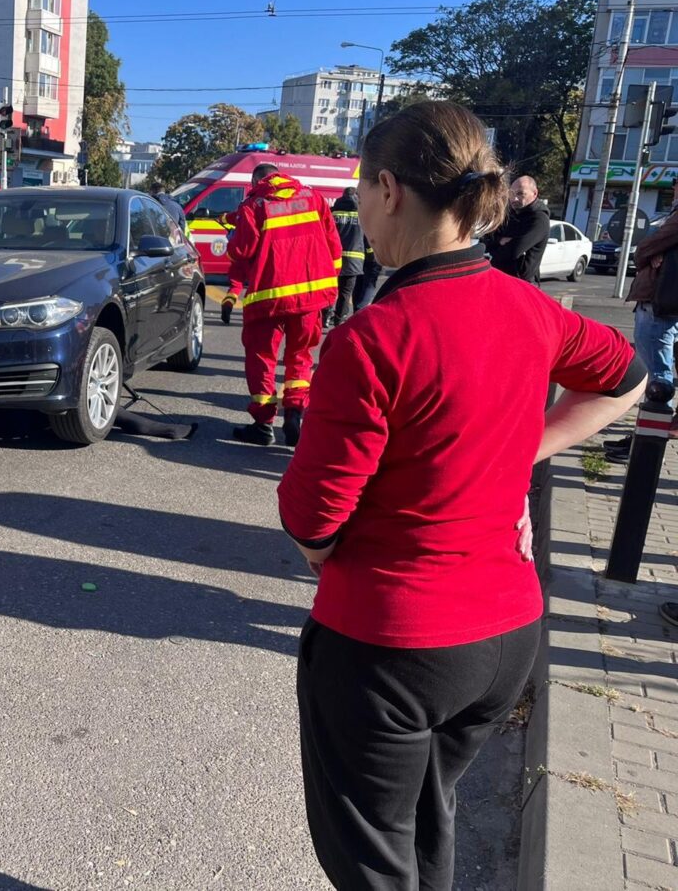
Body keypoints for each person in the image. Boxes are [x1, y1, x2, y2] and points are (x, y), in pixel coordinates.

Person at [277, 101, 645, 890]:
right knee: (424, 830)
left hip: (390, 649)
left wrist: (324, 557)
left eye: (359, 193)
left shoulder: (373, 336)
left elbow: (312, 518)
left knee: (374, 863)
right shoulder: (529, 308)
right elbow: (628, 381)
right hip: (506, 639)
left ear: (389, 189)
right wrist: (521, 454)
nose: (357, 215)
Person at [220, 163, 342, 447]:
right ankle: (295, 413)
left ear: (257, 181)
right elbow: (333, 246)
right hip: (310, 296)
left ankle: (263, 424)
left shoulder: (254, 205)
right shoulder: (313, 198)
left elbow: (241, 251)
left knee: (262, 357)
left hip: (269, 299)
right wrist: (327, 283)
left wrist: (233, 231)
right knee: (300, 356)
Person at [606, 201, 678, 467]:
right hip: (666, 304)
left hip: (661, 304)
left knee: (657, 379)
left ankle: (646, 444)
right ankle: (645, 437)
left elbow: (645, 247)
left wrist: (656, 253)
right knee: (662, 373)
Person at [484, 174, 551, 283]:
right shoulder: (509, 215)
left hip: (521, 284)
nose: (514, 198)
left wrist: (494, 249)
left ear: (534, 193)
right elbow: (486, 240)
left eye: (520, 194)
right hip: (499, 278)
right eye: (511, 194)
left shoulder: (539, 220)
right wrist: (500, 241)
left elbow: (513, 251)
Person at [324, 186, 365, 327]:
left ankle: (325, 317)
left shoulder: (332, 212)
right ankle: (339, 320)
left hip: (331, 259)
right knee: (345, 292)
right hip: (354, 260)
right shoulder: (362, 214)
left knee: (329, 289)